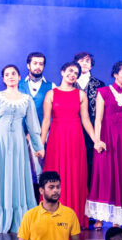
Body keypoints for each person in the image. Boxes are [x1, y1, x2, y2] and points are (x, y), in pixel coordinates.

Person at [0, 65, 46, 233]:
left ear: (19, 77)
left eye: (13, 74)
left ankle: (19, 220)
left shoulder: (26, 99)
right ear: (3, 79)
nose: (10, 77)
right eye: (7, 74)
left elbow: (33, 125)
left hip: (17, 143)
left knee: (16, 176)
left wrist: (38, 146)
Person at [41, 61, 102, 228]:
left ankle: (74, 218)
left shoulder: (80, 95)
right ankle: (53, 215)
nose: (73, 74)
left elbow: (86, 121)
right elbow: (46, 120)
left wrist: (96, 140)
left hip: (75, 139)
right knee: (56, 174)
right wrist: (40, 143)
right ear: (62, 72)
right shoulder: (51, 94)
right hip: (57, 138)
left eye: (76, 72)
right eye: (70, 71)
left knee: (76, 176)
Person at [86, 61, 122, 227]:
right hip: (106, 137)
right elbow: (98, 118)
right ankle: (100, 218)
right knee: (103, 174)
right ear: (115, 74)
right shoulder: (103, 92)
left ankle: (118, 218)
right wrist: (97, 140)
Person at [74, 51, 105, 192]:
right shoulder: (69, 82)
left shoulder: (99, 84)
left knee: (91, 160)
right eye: (81, 60)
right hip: (73, 125)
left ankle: (91, 193)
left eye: (87, 61)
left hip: (92, 125)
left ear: (91, 65)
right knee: (74, 160)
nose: (84, 63)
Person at [19, 52, 54, 126]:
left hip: (43, 133)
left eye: (41, 64)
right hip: (20, 132)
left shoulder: (52, 87)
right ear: (28, 65)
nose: (38, 66)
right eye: (35, 63)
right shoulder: (18, 85)